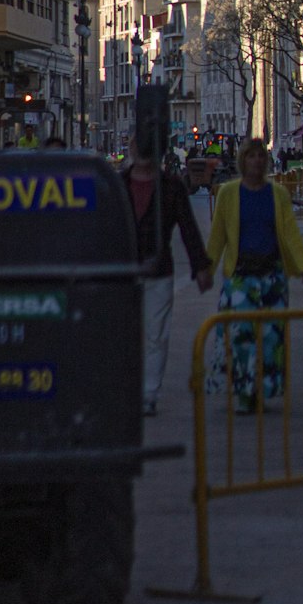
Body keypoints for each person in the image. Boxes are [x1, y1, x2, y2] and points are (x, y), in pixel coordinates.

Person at [205, 136, 303, 413]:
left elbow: (289, 232)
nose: (256, 161)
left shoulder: (278, 194)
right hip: (241, 277)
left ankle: (263, 390)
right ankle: (243, 391)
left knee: (271, 338)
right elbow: (217, 237)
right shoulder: (229, 194)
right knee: (241, 337)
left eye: (260, 156)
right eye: (251, 156)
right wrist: (207, 269)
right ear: (243, 161)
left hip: (272, 277)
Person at [122, 137, 214, 417]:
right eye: (140, 145)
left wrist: (201, 266)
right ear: (132, 149)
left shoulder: (171, 187)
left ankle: (148, 393)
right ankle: (127, 390)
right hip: (123, 274)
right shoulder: (117, 184)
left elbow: (187, 227)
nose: (143, 152)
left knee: (155, 335)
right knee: (127, 336)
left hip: (159, 271)